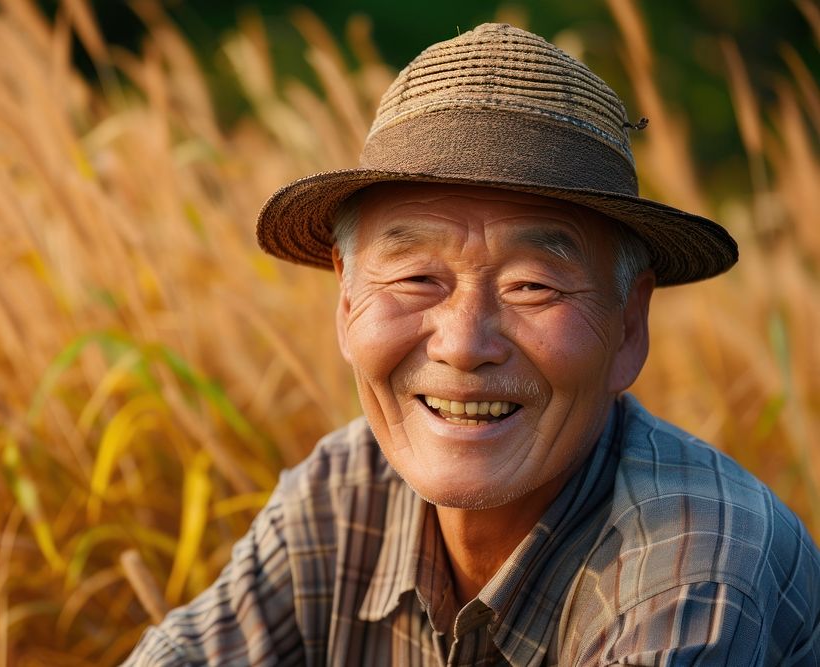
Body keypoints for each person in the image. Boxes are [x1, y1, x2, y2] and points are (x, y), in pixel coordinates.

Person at [123, 23, 820, 666]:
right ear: (345, 300)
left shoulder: (694, 566)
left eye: (533, 286)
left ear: (629, 327)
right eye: (416, 276)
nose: (462, 343)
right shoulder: (342, 495)